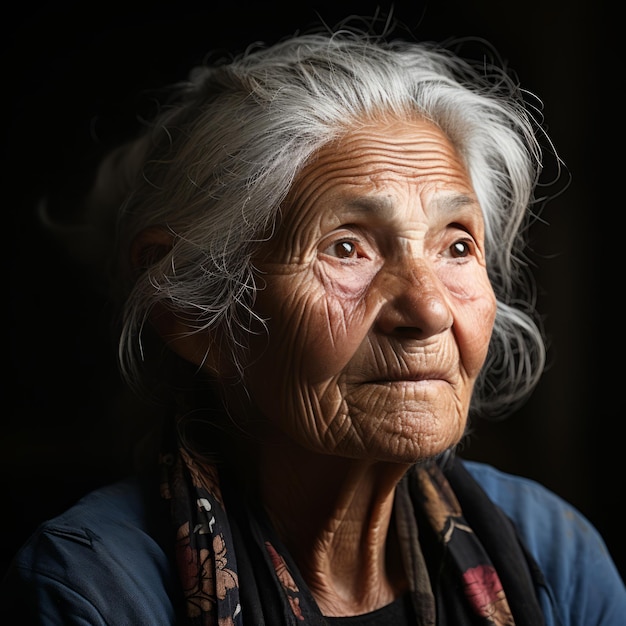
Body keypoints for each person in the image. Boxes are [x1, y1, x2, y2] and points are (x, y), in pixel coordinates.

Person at [2, 16, 624, 626]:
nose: (430, 310)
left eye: (456, 246)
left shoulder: (553, 556)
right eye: (346, 247)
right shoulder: (95, 591)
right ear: (190, 312)